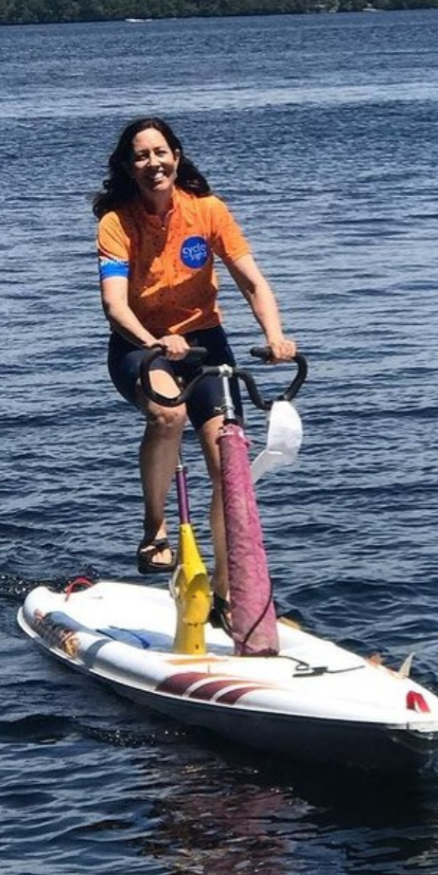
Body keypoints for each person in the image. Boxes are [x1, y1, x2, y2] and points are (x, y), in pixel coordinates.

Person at [93, 116, 297, 616]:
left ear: (176, 158)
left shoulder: (208, 211)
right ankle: (154, 532)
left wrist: (275, 338)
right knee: (168, 414)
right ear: (129, 167)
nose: (152, 163)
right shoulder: (117, 223)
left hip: (206, 344)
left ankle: (228, 596)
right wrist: (155, 342)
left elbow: (251, 281)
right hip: (138, 343)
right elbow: (115, 307)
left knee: (229, 465)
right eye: (141, 156)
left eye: (160, 153)